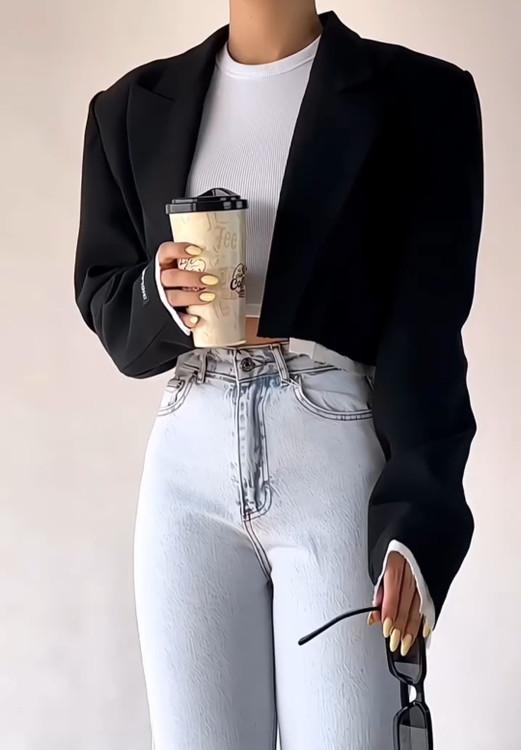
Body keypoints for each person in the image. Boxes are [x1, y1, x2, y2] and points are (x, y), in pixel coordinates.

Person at [74, 2, 484, 748]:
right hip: (187, 455)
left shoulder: (422, 96)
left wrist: (418, 520)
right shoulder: (128, 108)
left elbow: (427, 329)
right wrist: (162, 294)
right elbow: (109, 306)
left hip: (332, 443)